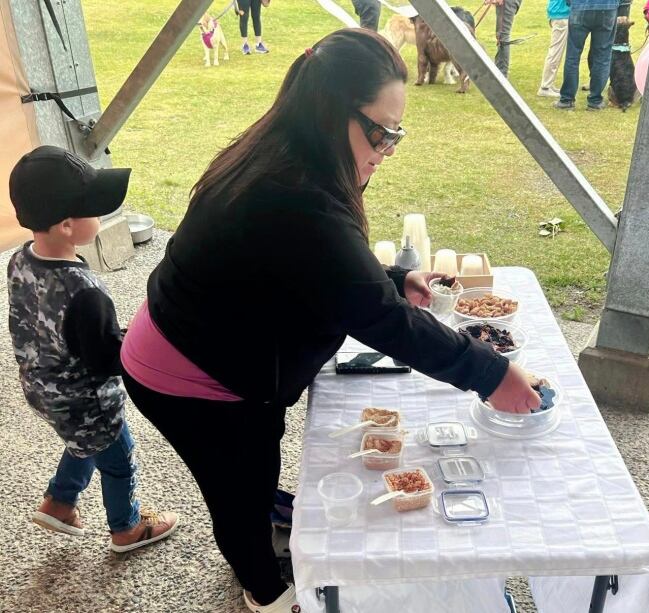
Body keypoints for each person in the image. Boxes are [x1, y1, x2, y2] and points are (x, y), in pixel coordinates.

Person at [119, 29, 540, 613]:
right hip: (189, 376)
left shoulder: (291, 151)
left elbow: (318, 267)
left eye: (398, 134)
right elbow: (381, 320)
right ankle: (263, 590)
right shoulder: (294, 194)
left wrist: (392, 279)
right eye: (382, 132)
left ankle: (264, 502)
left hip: (208, 340)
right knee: (235, 491)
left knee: (254, 465)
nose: (389, 147)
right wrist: (491, 374)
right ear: (331, 109)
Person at [6, 146, 179, 553]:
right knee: (117, 456)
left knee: (83, 441)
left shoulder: (20, 260)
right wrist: (139, 337)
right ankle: (127, 528)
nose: (101, 215)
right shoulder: (84, 293)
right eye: (95, 208)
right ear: (67, 225)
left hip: (42, 386)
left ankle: (60, 502)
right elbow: (107, 358)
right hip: (87, 399)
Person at [554, 0, 619, 110]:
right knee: (602, 58)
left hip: (580, 6)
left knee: (573, 56)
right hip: (607, 7)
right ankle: (595, 101)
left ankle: (566, 100)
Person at [537, 0, 570, 97]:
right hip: (561, 14)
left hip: (558, 13)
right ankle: (545, 87)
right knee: (555, 52)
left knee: (556, 52)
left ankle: (549, 84)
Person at [485, 0, 522, 77]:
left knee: (503, 37)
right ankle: (499, 70)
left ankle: (502, 74)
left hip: (507, 3)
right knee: (501, 36)